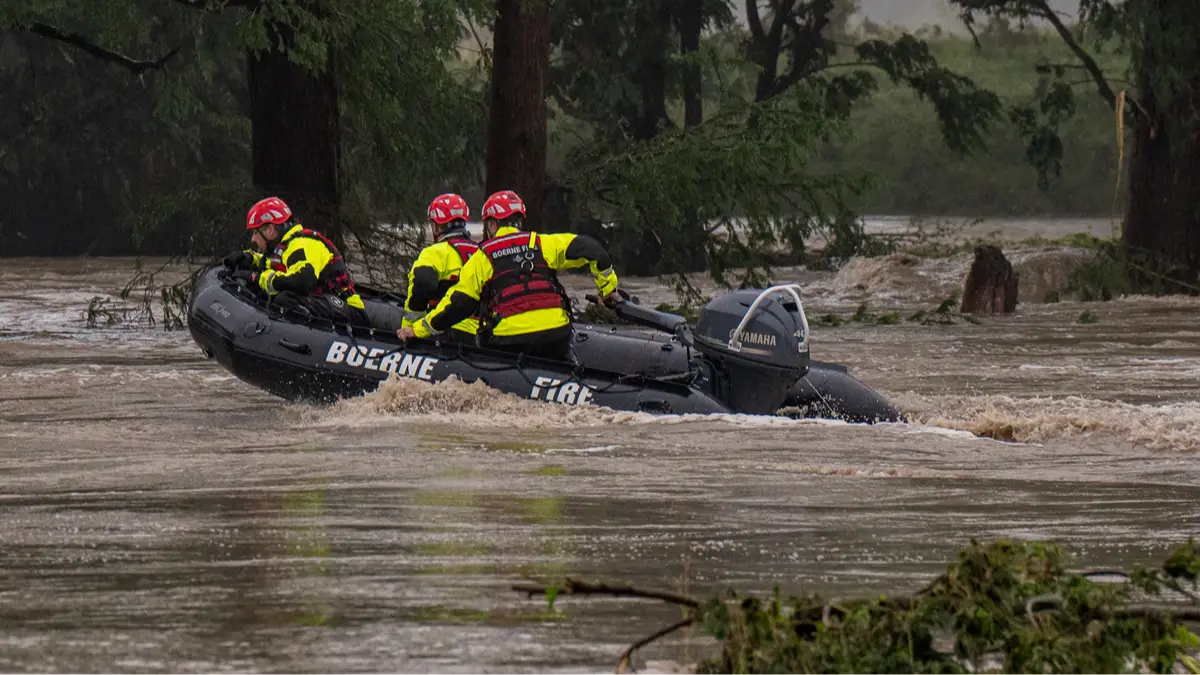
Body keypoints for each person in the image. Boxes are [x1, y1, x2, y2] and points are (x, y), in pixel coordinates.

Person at [396, 189, 619, 362]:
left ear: (492, 224)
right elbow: (594, 250)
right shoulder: (542, 243)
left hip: (511, 341)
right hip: (557, 335)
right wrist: (608, 290)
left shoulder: (484, 255)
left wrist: (418, 329)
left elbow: (460, 304)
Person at [226, 196, 369, 327]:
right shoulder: (286, 246)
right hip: (324, 303)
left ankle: (304, 335)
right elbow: (273, 263)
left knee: (285, 298)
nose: (253, 239)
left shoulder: (301, 245)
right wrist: (249, 258)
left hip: (349, 311)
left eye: (256, 233)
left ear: (270, 230)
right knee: (268, 292)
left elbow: (302, 281)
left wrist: (257, 278)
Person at [401, 193, 480, 343]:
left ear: (437, 225)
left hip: (444, 332)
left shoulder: (435, 252)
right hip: (478, 335)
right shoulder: (481, 252)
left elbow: (421, 286)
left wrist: (410, 329)